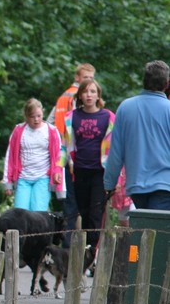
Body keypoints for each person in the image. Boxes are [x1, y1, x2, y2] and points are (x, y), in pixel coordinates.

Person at [104, 60, 170, 211]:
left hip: (137, 185)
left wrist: (109, 183)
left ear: (144, 80)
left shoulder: (126, 108)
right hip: (166, 185)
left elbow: (116, 152)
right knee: (157, 225)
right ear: (167, 84)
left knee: (144, 224)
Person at [61, 78, 115, 247]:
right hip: (79, 170)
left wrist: (117, 174)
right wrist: (59, 167)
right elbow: (65, 145)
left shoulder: (108, 117)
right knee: (83, 212)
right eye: (85, 92)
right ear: (80, 95)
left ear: (98, 95)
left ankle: (94, 250)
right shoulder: (72, 117)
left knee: (95, 212)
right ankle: (85, 250)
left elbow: (115, 146)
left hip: (100, 171)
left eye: (93, 91)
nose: (89, 95)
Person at [48, 63, 96, 243]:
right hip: (76, 156)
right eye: (86, 78)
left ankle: (68, 245)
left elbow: (50, 123)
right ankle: (82, 247)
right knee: (82, 206)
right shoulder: (76, 97)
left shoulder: (63, 97)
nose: (88, 83)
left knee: (71, 205)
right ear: (77, 78)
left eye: (91, 79)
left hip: (65, 153)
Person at [2, 98, 64, 212]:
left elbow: (59, 155)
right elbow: (10, 157)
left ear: (43, 113)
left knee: (38, 213)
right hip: (23, 178)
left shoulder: (51, 131)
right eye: (32, 117)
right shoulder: (18, 131)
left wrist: (57, 171)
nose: (36, 119)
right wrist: (7, 182)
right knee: (20, 212)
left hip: (43, 177)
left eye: (39, 116)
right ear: (26, 116)